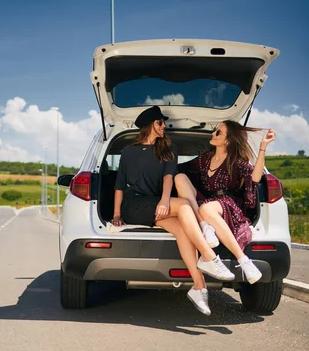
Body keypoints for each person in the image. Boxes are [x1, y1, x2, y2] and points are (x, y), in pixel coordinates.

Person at [113, 106, 235, 316]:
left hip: (156, 205)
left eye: (164, 123)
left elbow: (168, 178)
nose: (164, 126)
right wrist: (116, 214)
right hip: (133, 205)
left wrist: (164, 201)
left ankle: (199, 287)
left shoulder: (169, 149)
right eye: (160, 122)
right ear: (151, 124)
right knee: (185, 205)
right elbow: (119, 185)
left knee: (181, 229)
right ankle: (209, 257)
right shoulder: (128, 152)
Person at [174, 120, 275, 285]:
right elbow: (180, 169)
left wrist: (263, 147)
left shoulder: (235, 161)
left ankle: (244, 261)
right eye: (215, 131)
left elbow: (255, 177)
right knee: (180, 178)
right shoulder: (205, 159)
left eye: (218, 132)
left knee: (206, 209)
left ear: (227, 140)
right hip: (205, 202)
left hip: (228, 204)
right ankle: (205, 227)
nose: (213, 134)